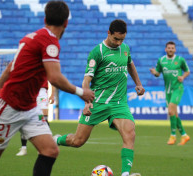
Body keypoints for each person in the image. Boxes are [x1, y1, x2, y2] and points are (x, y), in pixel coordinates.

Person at [0, 1, 94, 175]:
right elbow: (54, 77)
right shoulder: (50, 42)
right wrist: (82, 92)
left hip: (29, 108)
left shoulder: (32, 37)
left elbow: (9, 69)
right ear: (66, 22)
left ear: (45, 19)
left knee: (50, 150)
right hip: (9, 106)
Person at [53, 19, 145, 176]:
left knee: (130, 133)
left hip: (118, 103)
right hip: (98, 102)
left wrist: (138, 83)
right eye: (116, 39)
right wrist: (87, 102)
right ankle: (55, 140)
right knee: (78, 141)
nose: (119, 42)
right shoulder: (98, 52)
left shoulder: (125, 49)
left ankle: (125, 174)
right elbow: (86, 81)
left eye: (122, 39)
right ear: (108, 33)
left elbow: (130, 64)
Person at [149, 41, 190, 145]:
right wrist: (154, 73)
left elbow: (187, 71)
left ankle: (173, 136)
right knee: (174, 114)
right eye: (169, 48)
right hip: (167, 90)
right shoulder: (161, 60)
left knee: (171, 110)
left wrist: (183, 77)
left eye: (172, 48)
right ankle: (184, 135)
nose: (171, 49)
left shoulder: (180, 60)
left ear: (175, 50)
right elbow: (158, 73)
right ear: (165, 49)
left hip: (178, 88)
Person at [16, 81, 56, 156]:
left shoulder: (45, 69)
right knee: (25, 119)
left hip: (42, 93)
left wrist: (52, 95)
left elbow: (53, 80)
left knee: (43, 118)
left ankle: (44, 147)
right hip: (29, 91)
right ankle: (23, 148)